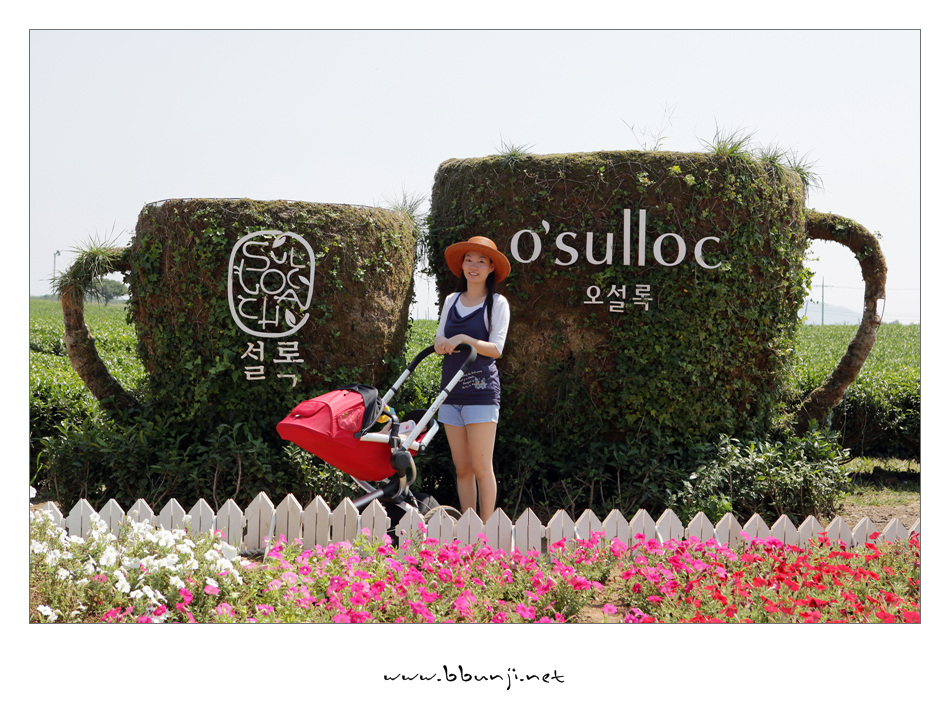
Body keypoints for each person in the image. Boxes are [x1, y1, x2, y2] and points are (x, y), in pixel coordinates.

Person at [433, 236, 511, 522]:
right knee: (462, 468)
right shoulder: (451, 300)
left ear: (491, 268)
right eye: (469, 260)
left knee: (481, 468)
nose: (473, 266)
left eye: (481, 261)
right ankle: (468, 527)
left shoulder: (497, 303)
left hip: (481, 394)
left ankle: (487, 530)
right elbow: (439, 337)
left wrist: (465, 339)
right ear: (462, 265)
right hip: (450, 393)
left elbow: (496, 349)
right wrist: (441, 343)